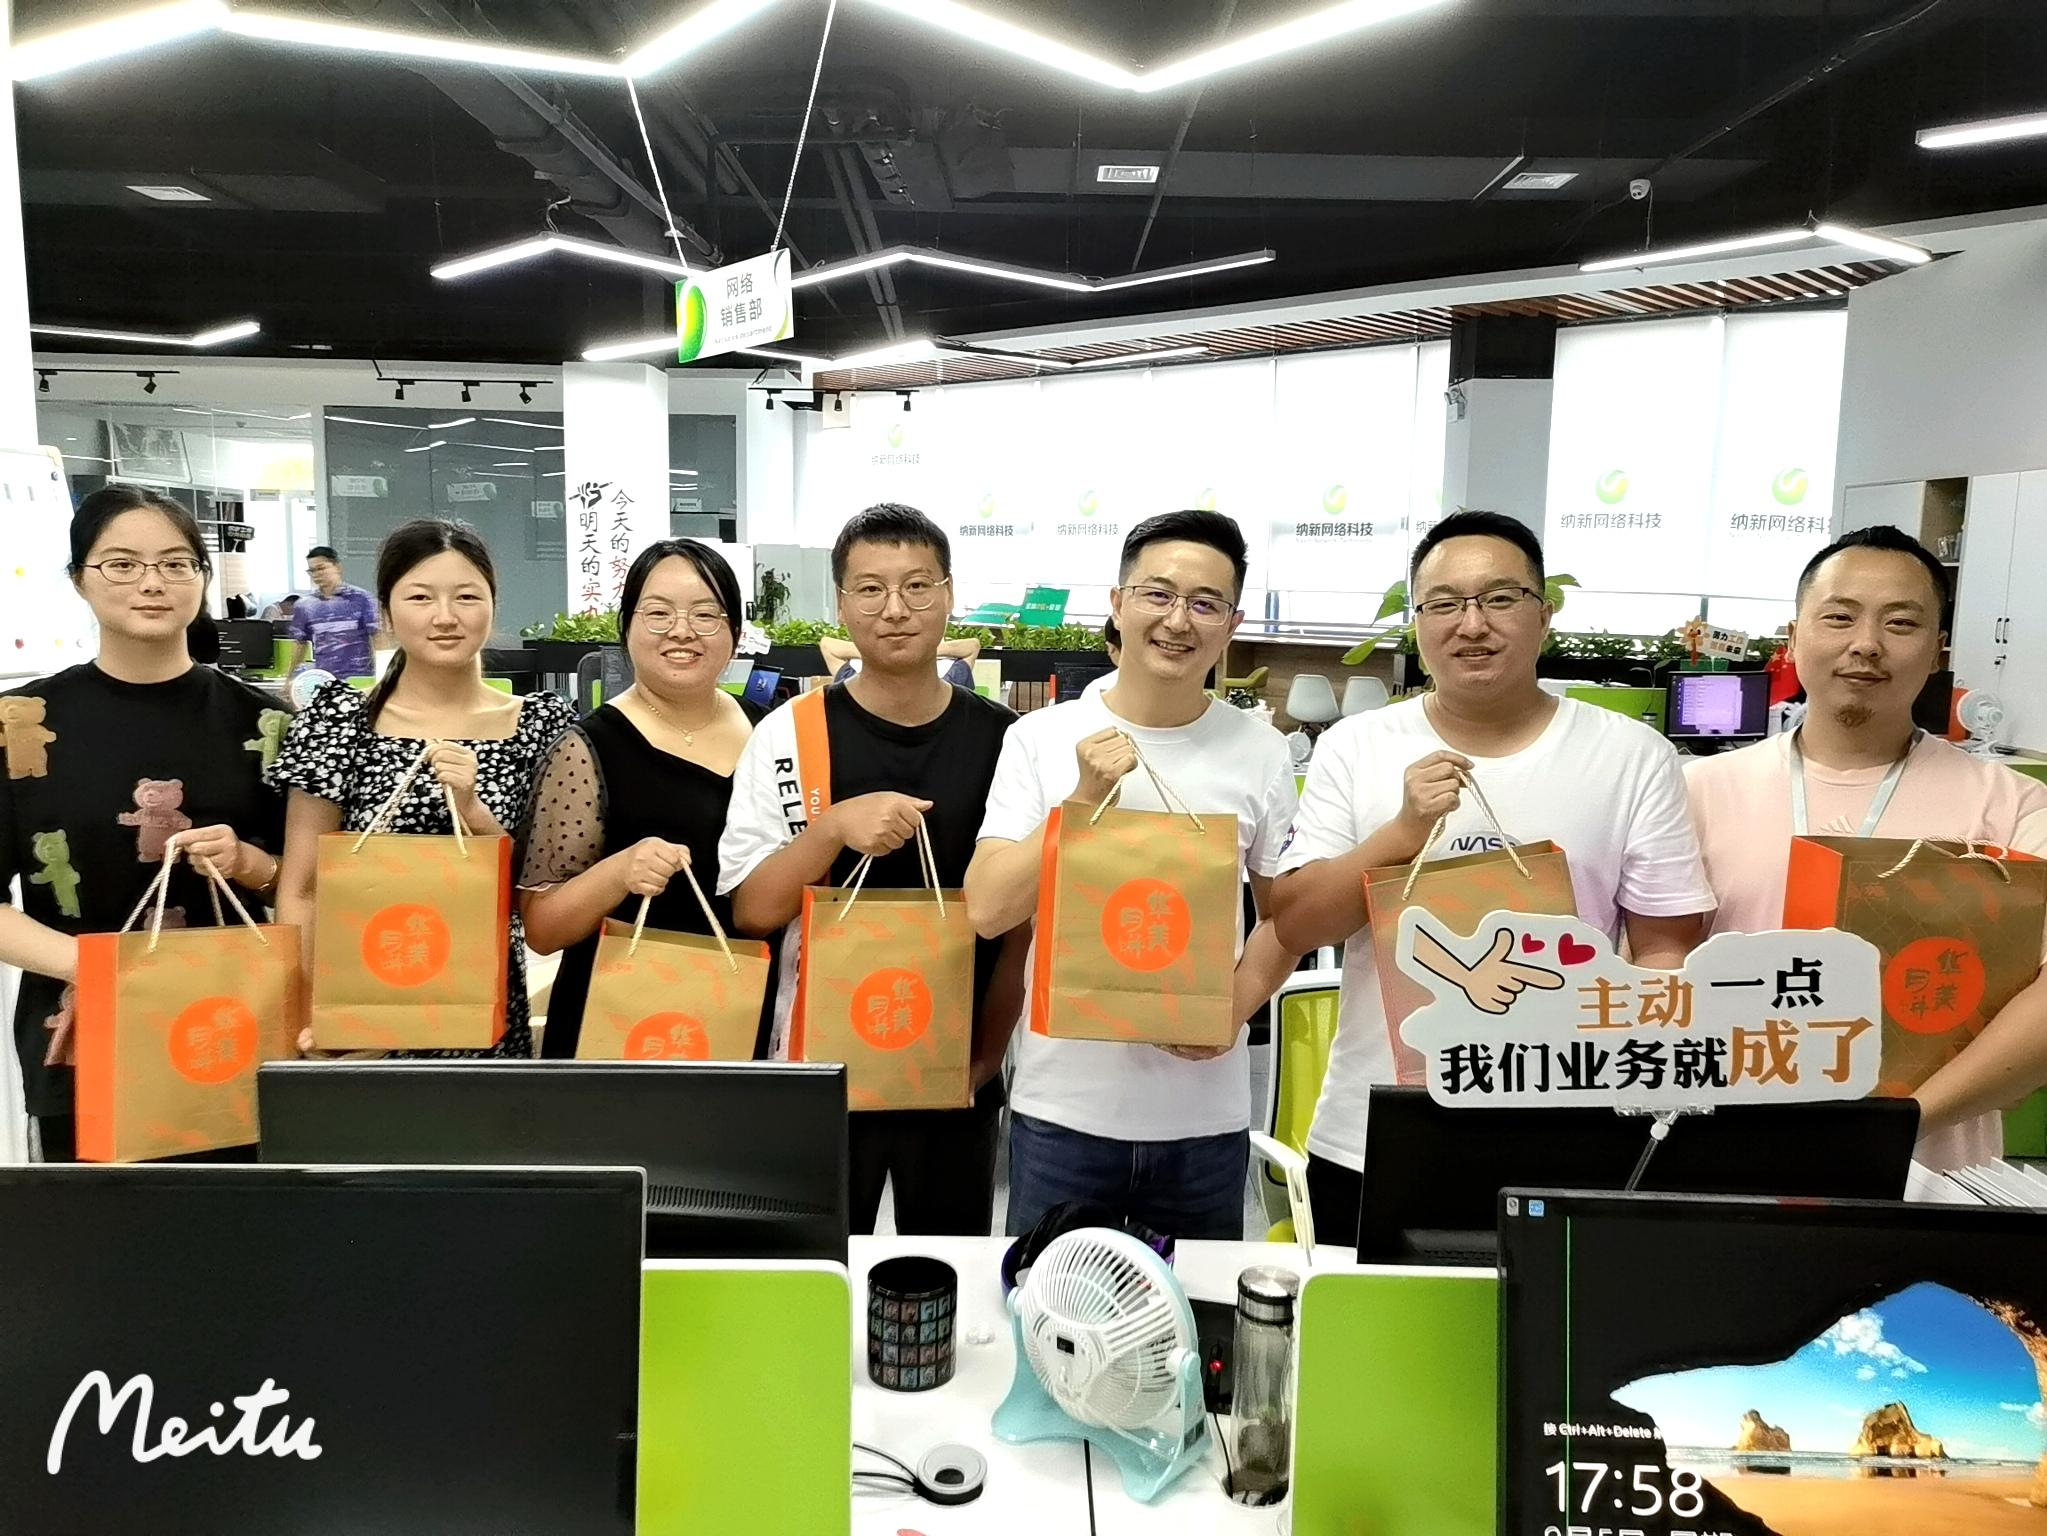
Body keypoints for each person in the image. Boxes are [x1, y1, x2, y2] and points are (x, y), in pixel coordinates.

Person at [1270, 509, 1713, 1244]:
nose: (1471, 624)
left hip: (1571, 1125)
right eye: (1443, 603)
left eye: (1500, 599)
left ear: (1544, 614)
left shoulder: (1631, 756)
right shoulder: (1356, 747)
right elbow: (1297, 923)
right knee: (1374, 1318)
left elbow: (1665, 949)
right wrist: (1401, 834)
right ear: (1417, 623)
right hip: (1375, 1131)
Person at [965, 509, 1300, 1241]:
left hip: (1203, 1120)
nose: (1178, 620)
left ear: (1232, 624)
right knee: (1049, 1303)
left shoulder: (1260, 752)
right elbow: (988, 909)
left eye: (1205, 603)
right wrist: (1081, 804)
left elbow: (1284, 918)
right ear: (1117, 605)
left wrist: (1235, 1008)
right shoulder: (1041, 738)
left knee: (1197, 1309)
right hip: (1062, 1111)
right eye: (1158, 594)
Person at [1686, 524, 2047, 1171]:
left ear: (1936, 651)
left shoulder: (2014, 806)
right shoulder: (1694, 792)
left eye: (1900, 623)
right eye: (1839, 617)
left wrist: (1894, 1129)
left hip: (1931, 1166)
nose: (1866, 644)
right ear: (1794, 637)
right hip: (1724, 1150)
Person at [720, 504, 1027, 1236]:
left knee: (947, 1270)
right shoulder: (789, 735)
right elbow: (753, 911)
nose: (895, 609)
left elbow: (1022, 923)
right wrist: (830, 829)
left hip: (953, 1067)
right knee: (817, 1268)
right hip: (819, 1071)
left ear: (948, 596)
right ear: (841, 604)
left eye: (917, 586)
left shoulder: (1006, 741)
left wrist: (986, 1056)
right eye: (870, 589)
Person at [0, 485, 287, 1161]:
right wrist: (100, 969)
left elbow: (309, 886)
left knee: (247, 1221)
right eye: (122, 564)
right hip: (83, 1037)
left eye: (176, 563)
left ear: (202, 577)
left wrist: (252, 864)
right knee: (97, 1225)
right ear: (79, 578)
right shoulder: (20, 725)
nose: (152, 583)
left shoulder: (268, 723)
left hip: (234, 1035)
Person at [270, 519, 574, 1059]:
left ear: (492, 605)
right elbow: (303, 888)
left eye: (466, 597)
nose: (445, 616)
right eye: (420, 597)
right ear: (386, 613)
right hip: (361, 1015)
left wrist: (475, 813)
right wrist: (316, 1011)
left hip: (483, 1016)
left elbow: (542, 893)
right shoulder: (339, 721)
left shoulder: (542, 725)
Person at [520, 540, 770, 1058]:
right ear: (627, 627)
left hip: (748, 1017)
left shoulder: (770, 730)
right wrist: (618, 872)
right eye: (658, 614)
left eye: (706, 614)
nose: (682, 630)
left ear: (734, 631)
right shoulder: (586, 748)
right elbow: (542, 927)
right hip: (626, 1028)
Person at [289, 545, 380, 679]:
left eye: (321, 568)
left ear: (337, 567)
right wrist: (289, 679)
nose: (316, 574)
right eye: (312, 571)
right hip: (325, 680)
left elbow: (377, 637)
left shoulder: (361, 599)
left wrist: (383, 674)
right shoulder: (306, 605)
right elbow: (299, 644)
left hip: (360, 678)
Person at [819, 631, 981, 689]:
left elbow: (973, 646)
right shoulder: (951, 677)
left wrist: (921, 653)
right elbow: (827, 645)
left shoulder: (950, 677)